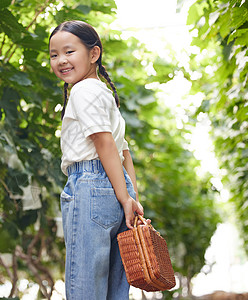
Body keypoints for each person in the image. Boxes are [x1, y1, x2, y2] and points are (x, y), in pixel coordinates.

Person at [49, 20, 147, 299]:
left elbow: (103, 142)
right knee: (115, 288)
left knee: (85, 287)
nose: (61, 61)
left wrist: (126, 198)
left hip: (90, 185)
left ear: (94, 54)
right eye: (54, 55)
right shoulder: (103, 93)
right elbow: (123, 151)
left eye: (69, 52)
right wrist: (130, 196)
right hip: (116, 190)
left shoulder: (82, 91)